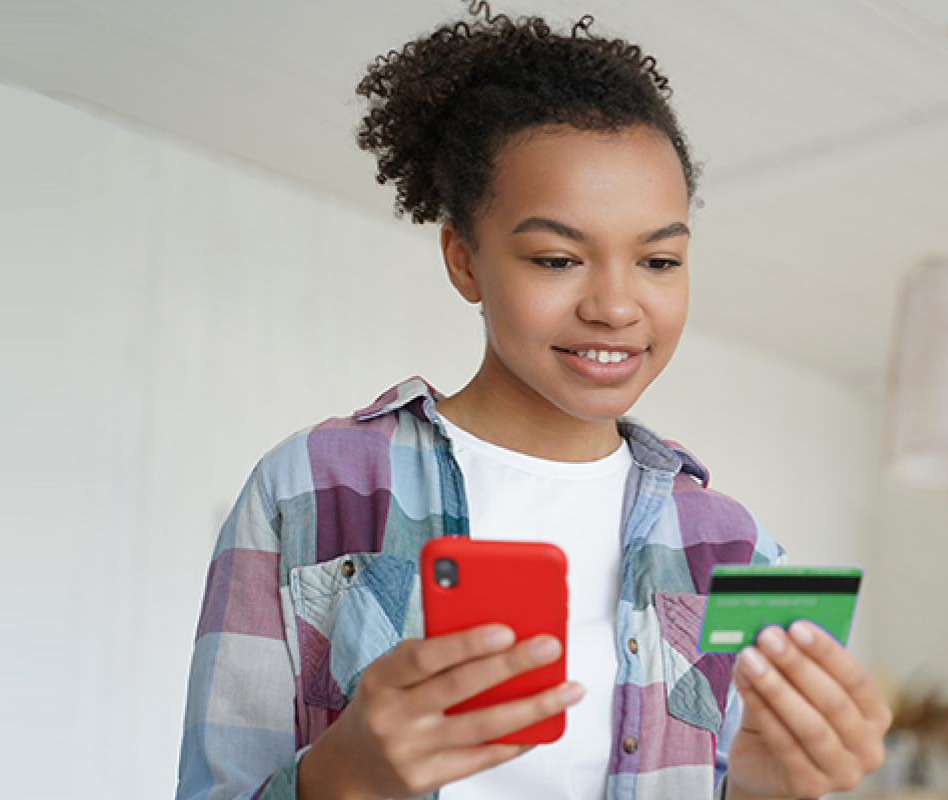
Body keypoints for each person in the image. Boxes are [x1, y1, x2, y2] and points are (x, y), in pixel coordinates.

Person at [174, 8, 892, 800]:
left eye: (659, 259)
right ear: (464, 260)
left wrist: (769, 792)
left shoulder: (733, 547)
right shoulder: (314, 485)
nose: (617, 306)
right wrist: (342, 779)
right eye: (557, 257)